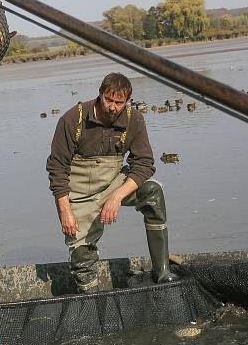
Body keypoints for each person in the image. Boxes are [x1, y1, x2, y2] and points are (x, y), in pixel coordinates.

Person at [46, 72, 176, 293]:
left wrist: (116, 197)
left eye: (119, 102)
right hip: (78, 194)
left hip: (113, 183)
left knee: (153, 192)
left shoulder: (134, 119)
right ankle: (91, 297)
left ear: (127, 101)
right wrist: (65, 211)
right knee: (82, 259)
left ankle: (162, 272)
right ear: (100, 95)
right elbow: (57, 168)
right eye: (109, 100)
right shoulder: (72, 120)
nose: (113, 107)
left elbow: (144, 163)